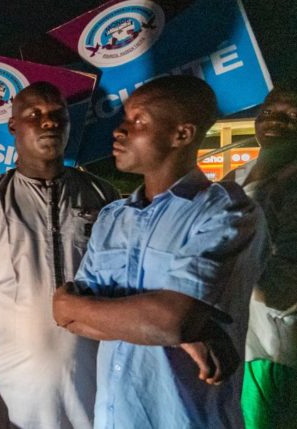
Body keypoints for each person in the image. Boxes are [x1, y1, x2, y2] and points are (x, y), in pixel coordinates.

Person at [52, 75, 268, 428]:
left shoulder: (226, 212)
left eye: (139, 121)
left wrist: (72, 304)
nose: (120, 131)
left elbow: (171, 319)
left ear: (181, 134)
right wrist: (171, 330)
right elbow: (73, 322)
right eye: (123, 120)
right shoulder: (112, 217)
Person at [0, 82, 120, 429]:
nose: (49, 123)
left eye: (57, 115)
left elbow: (125, 284)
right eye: (35, 115)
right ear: (13, 125)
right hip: (10, 389)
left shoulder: (103, 197)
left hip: (91, 383)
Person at [225, 86, 297, 429]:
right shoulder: (234, 179)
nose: (275, 121)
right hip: (232, 344)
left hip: (275, 349)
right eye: (268, 111)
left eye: (290, 114)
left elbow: (283, 286)